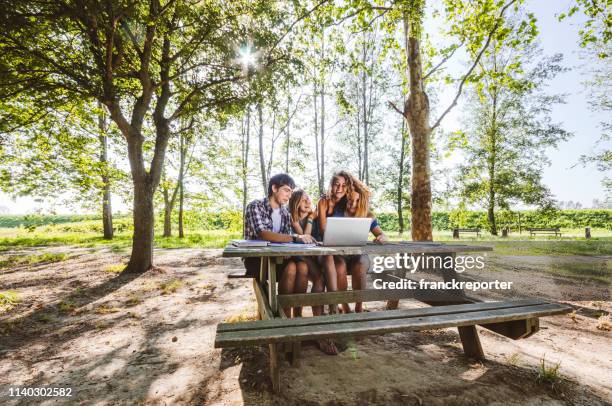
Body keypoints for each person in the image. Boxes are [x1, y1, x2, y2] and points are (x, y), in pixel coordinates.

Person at [243, 173, 315, 318]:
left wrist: (293, 243)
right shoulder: (255, 206)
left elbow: (284, 242)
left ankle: (297, 315)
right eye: (286, 190)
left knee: (301, 266)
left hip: (278, 258)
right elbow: (262, 233)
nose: (289, 196)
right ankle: (285, 317)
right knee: (292, 268)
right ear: (274, 188)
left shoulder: (285, 214)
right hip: (256, 260)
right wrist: (294, 238)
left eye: (291, 192)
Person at [289, 189, 338, 355]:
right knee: (315, 276)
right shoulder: (294, 219)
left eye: (308, 199)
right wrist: (310, 218)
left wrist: (316, 214)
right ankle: (299, 319)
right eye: (303, 200)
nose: (308, 202)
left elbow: (320, 235)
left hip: (314, 256)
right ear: (295, 203)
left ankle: (322, 319)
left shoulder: (316, 216)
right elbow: (306, 239)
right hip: (300, 256)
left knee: (320, 280)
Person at [336, 176, 389, 313]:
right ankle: (345, 306)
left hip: (359, 255)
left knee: (360, 267)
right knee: (339, 267)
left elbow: (382, 234)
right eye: (350, 200)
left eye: (357, 200)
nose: (353, 203)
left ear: (362, 201)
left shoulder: (367, 216)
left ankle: (359, 307)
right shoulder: (338, 213)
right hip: (340, 255)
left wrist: (382, 237)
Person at [316, 171, 354, 315]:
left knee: (341, 266)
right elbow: (323, 229)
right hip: (322, 246)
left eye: (344, 185)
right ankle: (333, 304)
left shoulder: (347, 202)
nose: (340, 188)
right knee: (329, 257)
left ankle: (343, 304)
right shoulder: (323, 201)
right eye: (336, 184)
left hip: (339, 248)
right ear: (331, 185)